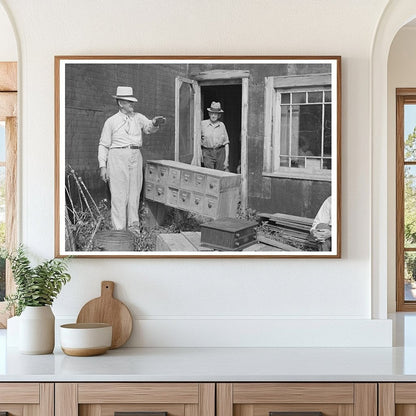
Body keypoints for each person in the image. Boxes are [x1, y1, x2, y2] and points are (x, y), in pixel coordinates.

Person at [98, 86, 165, 231]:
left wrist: (154, 123)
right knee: (118, 195)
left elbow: (148, 128)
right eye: (129, 102)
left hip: (135, 155)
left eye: (132, 101)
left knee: (134, 194)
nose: (132, 104)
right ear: (120, 103)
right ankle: (119, 232)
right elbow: (103, 145)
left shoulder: (138, 117)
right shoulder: (111, 121)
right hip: (117, 157)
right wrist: (102, 166)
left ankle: (134, 230)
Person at [201, 102, 230, 171]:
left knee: (220, 173)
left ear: (219, 115)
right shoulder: (203, 124)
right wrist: (199, 155)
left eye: (216, 114)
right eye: (212, 113)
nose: (213, 115)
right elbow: (197, 141)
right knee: (209, 174)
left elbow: (226, 143)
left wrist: (226, 159)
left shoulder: (222, 125)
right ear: (209, 114)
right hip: (207, 152)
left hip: (220, 153)